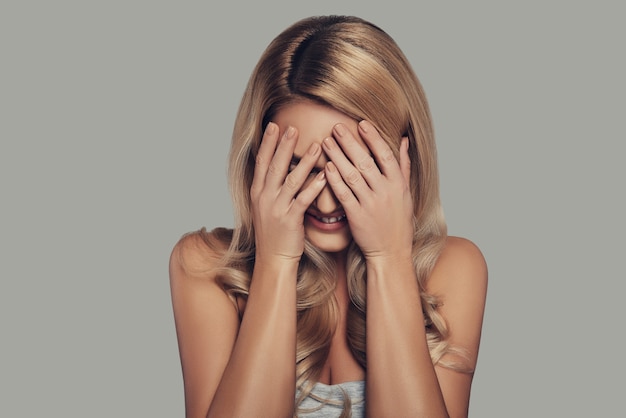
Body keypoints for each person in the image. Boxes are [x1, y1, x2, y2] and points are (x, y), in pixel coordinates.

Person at [169, 15, 487, 418]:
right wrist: (277, 262)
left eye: (352, 167)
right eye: (298, 169)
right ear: (258, 162)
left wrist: (389, 258)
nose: (323, 203)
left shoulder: (454, 267)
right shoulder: (204, 265)